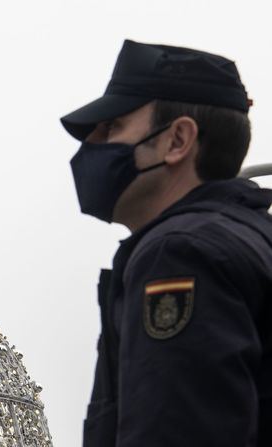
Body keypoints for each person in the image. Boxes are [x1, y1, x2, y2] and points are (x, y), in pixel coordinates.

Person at [61, 40, 272, 447]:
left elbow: (178, 430)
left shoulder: (181, 253)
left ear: (177, 140)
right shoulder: (249, 237)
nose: (92, 146)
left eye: (113, 128)